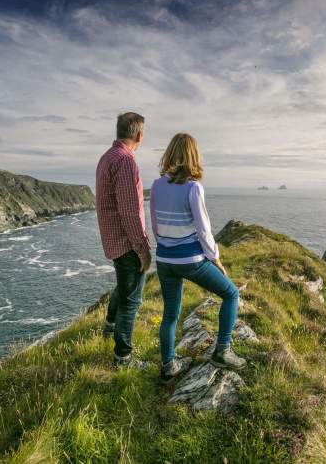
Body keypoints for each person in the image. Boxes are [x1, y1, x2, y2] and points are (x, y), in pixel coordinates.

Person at [150, 133, 246, 384]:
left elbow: (156, 226)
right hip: (190, 260)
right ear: (194, 156)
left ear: (169, 154)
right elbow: (203, 230)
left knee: (170, 314)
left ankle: (168, 365)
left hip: (164, 259)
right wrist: (215, 258)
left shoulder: (157, 186)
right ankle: (222, 351)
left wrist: (167, 248)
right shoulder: (194, 188)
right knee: (231, 293)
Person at [96, 112, 151, 369]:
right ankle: (123, 358)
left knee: (122, 286)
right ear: (139, 135)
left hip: (113, 240)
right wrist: (143, 249)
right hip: (127, 242)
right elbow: (130, 211)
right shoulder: (126, 161)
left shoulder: (106, 157)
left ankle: (108, 326)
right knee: (131, 300)